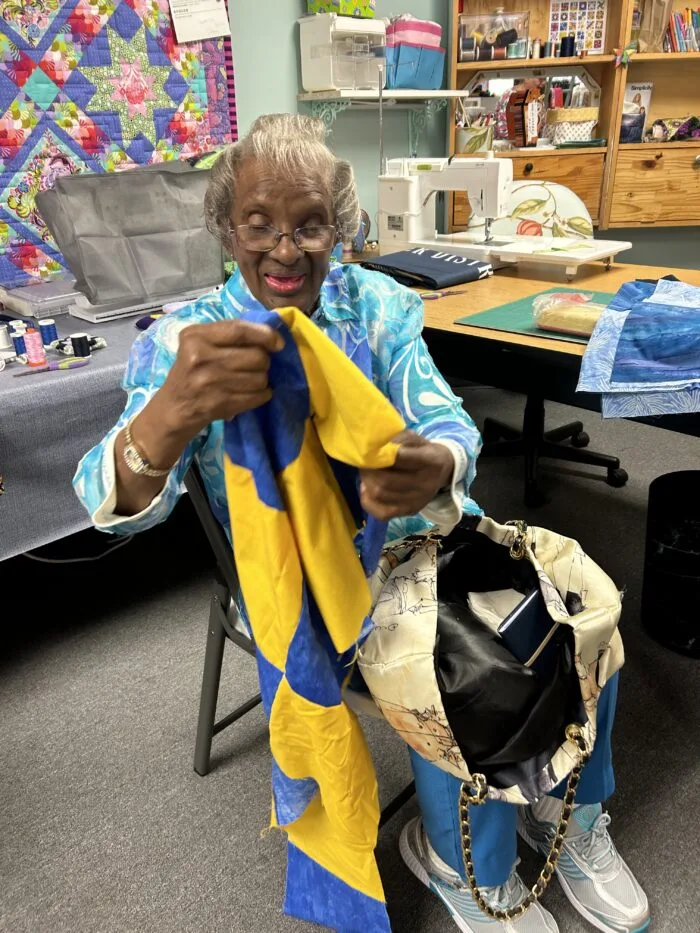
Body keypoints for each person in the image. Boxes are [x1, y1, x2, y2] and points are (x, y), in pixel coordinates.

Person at [73, 114, 649, 933]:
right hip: (304, 590)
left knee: (582, 603)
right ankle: (460, 862)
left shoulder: (376, 305)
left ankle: (569, 817)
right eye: (259, 224)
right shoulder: (187, 344)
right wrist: (165, 418)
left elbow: (449, 423)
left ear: (339, 227)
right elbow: (110, 510)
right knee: (459, 663)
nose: (283, 249)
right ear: (225, 228)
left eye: (309, 224)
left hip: (427, 539)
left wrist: (438, 464)